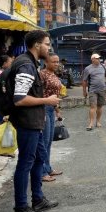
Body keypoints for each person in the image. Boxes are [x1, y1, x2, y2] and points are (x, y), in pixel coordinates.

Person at [11, 30, 60, 212]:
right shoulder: (25, 65)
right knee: (25, 163)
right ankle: (21, 209)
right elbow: (19, 98)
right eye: (47, 44)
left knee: (39, 158)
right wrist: (47, 100)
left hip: (35, 121)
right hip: (27, 122)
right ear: (37, 45)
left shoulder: (31, 63)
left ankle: (38, 199)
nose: (49, 47)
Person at [40, 53, 63, 182]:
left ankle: (48, 168)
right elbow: (40, 93)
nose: (56, 64)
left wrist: (57, 111)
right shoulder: (42, 74)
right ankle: (42, 172)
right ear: (46, 62)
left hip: (51, 109)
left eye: (57, 61)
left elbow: (54, 94)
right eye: (53, 62)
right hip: (43, 108)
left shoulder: (53, 74)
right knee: (43, 142)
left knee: (48, 142)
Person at [82, 53, 106, 131]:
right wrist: (84, 91)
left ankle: (98, 121)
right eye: (97, 58)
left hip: (102, 89)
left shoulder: (103, 66)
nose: (98, 59)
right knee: (92, 106)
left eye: (99, 58)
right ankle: (91, 123)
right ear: (92, 59)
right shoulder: (88, 69)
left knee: (100, 106)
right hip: (92, 90)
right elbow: (84, 81)